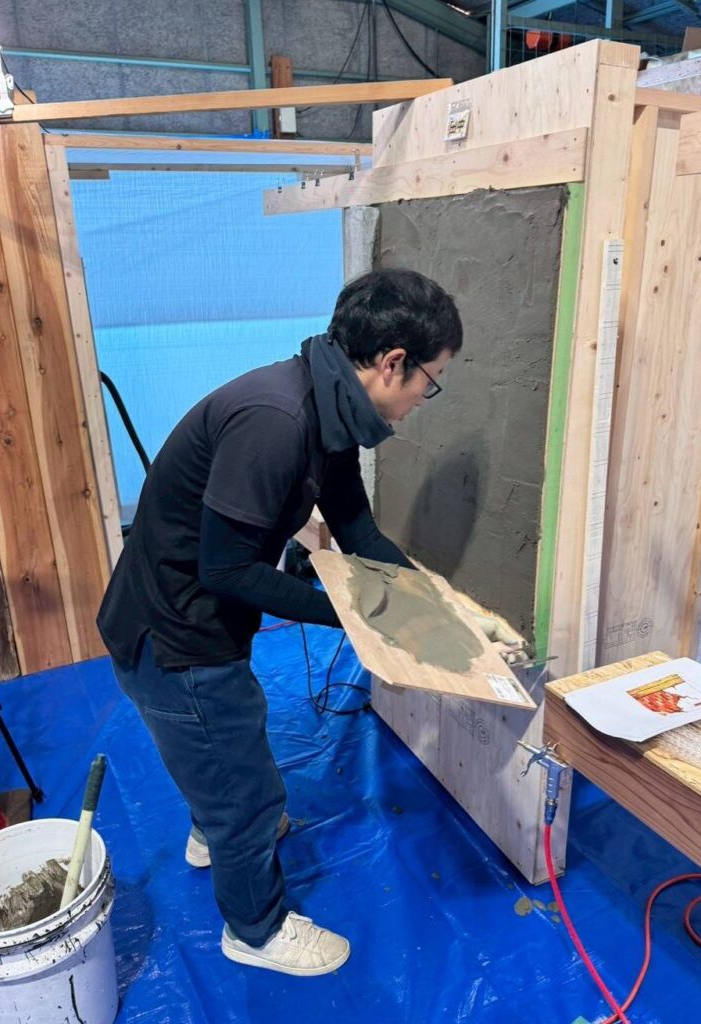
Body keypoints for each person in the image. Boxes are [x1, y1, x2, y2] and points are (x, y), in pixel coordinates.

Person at [97, 268, 469, 977]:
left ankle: (212, 831)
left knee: (226, 751)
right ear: (393, 363)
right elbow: (226, 570)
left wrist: (424, 597)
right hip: (172, 637)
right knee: (244, 790)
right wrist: (357, 618)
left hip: (193, 617)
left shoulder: (328, 411)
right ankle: (256, 929)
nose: (424, 399)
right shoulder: (278, 421)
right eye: (432, 381)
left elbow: (356, 527)